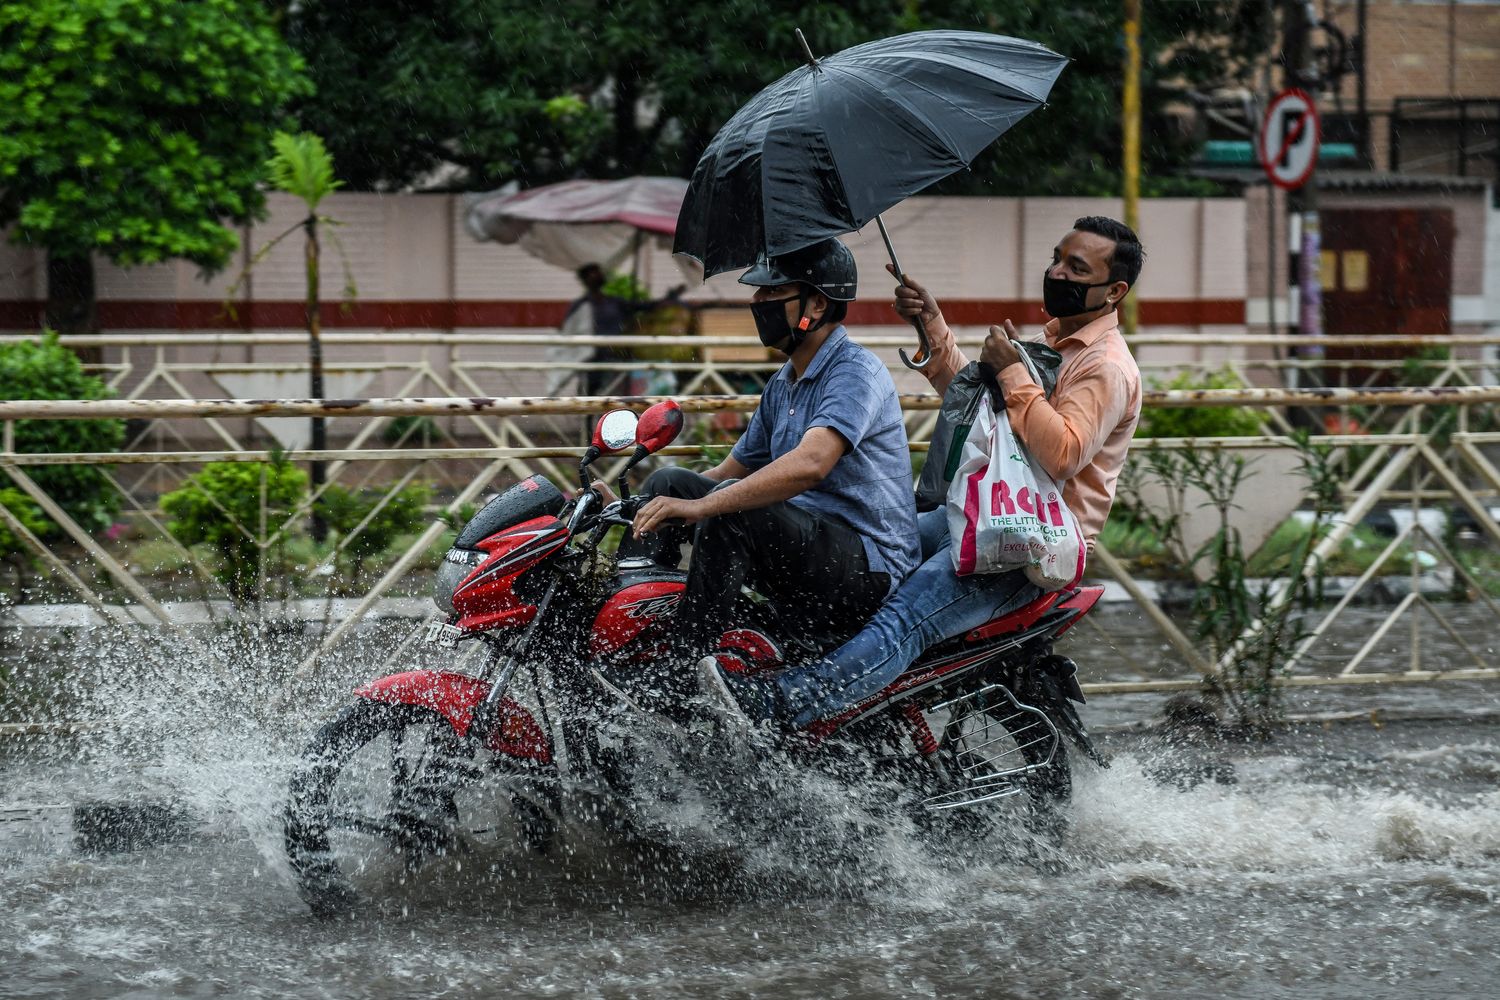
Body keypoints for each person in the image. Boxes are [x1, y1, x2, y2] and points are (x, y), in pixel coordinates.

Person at [701, 216, 1146, 727]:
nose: (1057, 273)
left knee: (906, 615)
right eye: (1056, 259)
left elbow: (1064, 453)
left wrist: (1011, 371)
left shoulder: (1105, 366)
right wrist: (931, 324)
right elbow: (981, 410)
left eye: (1076, 268)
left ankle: (782, 704)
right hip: (986, 510)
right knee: (876, 555)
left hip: (1035, 541)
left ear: (1114, 291)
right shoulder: (1052, 342)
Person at [620, 238, 920, 706]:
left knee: (728, 508)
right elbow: (725, 472)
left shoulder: (855, 372)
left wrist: (704, 506)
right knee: (668, 482)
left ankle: (683, 670)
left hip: (866, 565)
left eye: (772, 292)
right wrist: (634, 505)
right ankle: (631, 629)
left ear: (816, 305)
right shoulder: (783, 384)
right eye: (759, 292)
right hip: (806, 546)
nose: (757, 302)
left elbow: (812, 464)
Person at [565, 263, 683, 397]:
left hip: (615, 355)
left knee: (616, 392)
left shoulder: (614, 302)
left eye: (598, 273)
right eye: (593, 274)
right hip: (591, 357)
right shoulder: (581, 306)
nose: (598, 276)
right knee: (591, 392)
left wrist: (669, 299)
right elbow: (570, 329)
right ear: (585, 279)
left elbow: (643, 307)